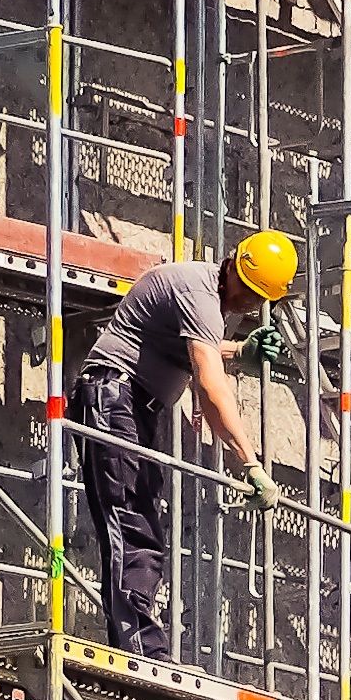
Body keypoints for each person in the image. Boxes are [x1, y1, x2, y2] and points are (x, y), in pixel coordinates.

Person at [73, 230, 299, 660]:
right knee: (131, 521)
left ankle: (137, 643)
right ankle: (141, 651)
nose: (248, 304)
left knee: (139, 523)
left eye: (258, 299)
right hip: (114, 397)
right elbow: (210, 386)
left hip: (128, 403)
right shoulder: (200, 290)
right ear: (232, 264)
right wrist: (250, 463)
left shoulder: (206, 298)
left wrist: (238, 352)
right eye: (247, 292)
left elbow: (186, 347)